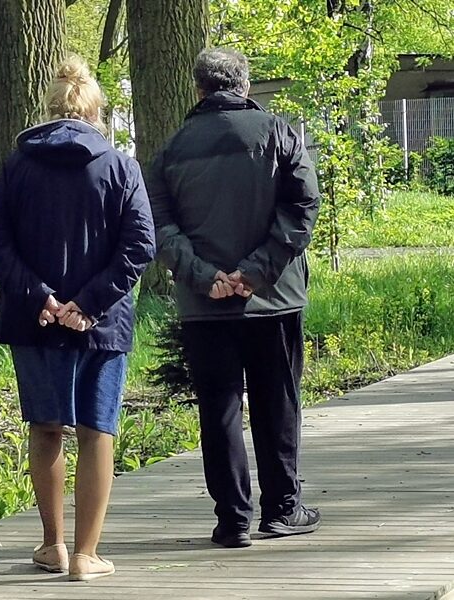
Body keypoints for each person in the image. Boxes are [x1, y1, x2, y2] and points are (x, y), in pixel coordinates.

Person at [0, 57, 156, 581]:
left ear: (49, 110)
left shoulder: (17, 165)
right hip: (101, 323)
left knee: (46, 425)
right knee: (97, 430)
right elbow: (140, 245)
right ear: (96, 112)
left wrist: (41, 298)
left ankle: (52, 545)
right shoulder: (120, 166)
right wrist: (88, 304)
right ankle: (86, 555)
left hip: (34, 320)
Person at [147, 48, 321, 549]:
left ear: (199, 89)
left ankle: (232, 519)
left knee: (219, 408)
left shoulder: (171, 149)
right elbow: (303, 205)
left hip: (206, 305)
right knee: (277, 402)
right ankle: (282, 509)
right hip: (274, 298)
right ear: (244, 86)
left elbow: (159, 224)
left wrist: (206, 277)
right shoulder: (280, 133)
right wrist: (255, 272)